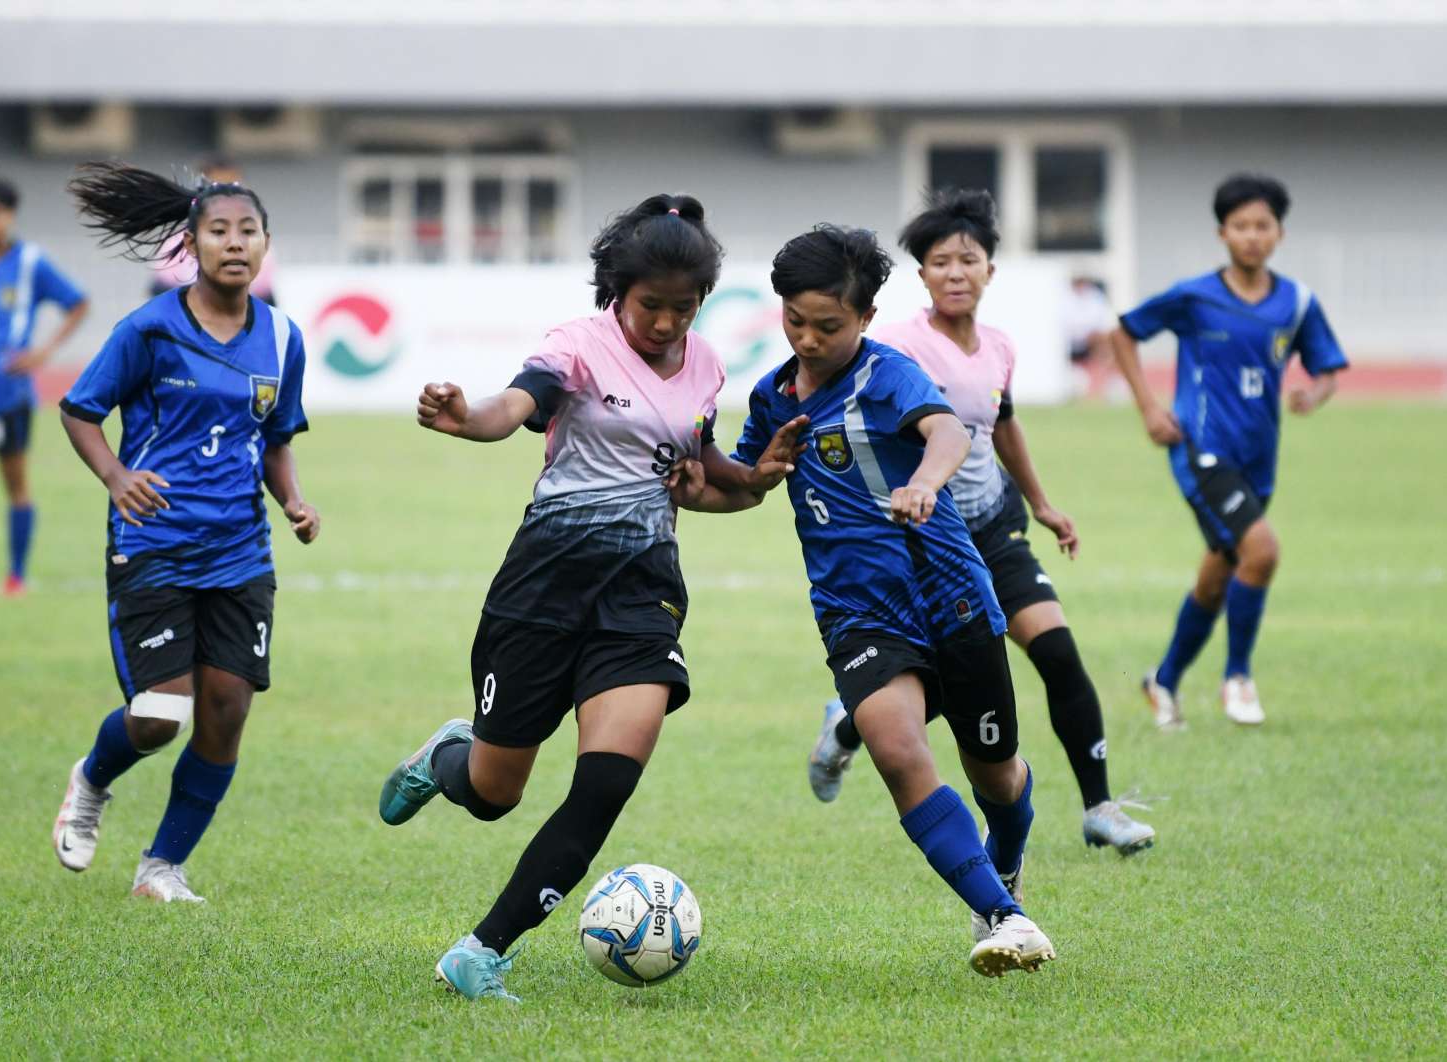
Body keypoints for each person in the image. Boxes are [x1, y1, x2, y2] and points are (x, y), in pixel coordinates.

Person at [376, 194, 802, 1002]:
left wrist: (755, 475)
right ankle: (446, 757)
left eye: (685, 308)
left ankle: (482, 950)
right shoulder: (577, 346)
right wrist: (468, 417)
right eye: (651, 306)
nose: (667, 323)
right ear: (617, 292)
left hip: (643, 596)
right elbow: (515, 405)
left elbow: (696, 460)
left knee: (605, 784)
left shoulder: (707, 365)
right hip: (543, 588)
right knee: (494, 794)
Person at [726, 224, 1055, 976]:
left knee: (998, 775)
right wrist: (717, 483)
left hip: (951, 595)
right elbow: (744, 485)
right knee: (899, 752)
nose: (808, 340)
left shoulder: (888, 374)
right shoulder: (771, 397)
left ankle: (1004, 870)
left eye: (828, 325)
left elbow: (948, 433)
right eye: (795, 321)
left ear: (866, 317)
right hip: (858, 612)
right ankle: (1007, 916)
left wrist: (925, 483)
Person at [806, 189, 1155, 855]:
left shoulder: (999, 347)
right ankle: (847, 726)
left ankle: (1100, 807)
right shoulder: (896, 346)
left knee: (1057, 652)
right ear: (923, 276)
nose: (955, 273)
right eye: (940, 262)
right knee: (940, 683)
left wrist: (1043, 503)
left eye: (967, 260)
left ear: (990, 269)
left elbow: (1002, 424)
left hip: (994, 527)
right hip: (924, 542)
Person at [50, 162, 319, 903]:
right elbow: (79, 410)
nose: (234, 243)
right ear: (191, 245)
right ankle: (91, 780)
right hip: (153, 545)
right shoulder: (149, 329)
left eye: (248, 231)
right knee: (160, 716)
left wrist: (294, 501)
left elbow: (275, 439)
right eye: (218, 231)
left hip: (241, 551)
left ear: (266, 244)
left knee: (227, 709)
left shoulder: (283, 337)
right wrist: (116, 477)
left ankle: (161, 867)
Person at [1111, 173, 1347, 728]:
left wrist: (1312, 395)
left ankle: (1164, 680)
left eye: (1263, 225)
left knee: (1218, 576)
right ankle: (1237, 677)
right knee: (1262, 551)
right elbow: (1123, 333)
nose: (1252, 236)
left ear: (1280, 233)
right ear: (1222, 233)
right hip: (1203, 450)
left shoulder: (1297, 302)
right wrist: (1149, 408)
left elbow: (1328, 371)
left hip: (1258, 458)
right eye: (1240, 226)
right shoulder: (1194, 296)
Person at [0, 177, 88, 593]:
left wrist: (44, 352)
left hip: (9, 392)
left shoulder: (30, 263)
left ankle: (16, 575)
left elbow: (77, 304)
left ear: (10, 217)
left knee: (15, 484)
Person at [149, 158, 277, 304]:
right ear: (191, 243)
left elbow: (267, 303)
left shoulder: (260, 254)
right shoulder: (174, 251)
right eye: (218, 232)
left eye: (235, 187)